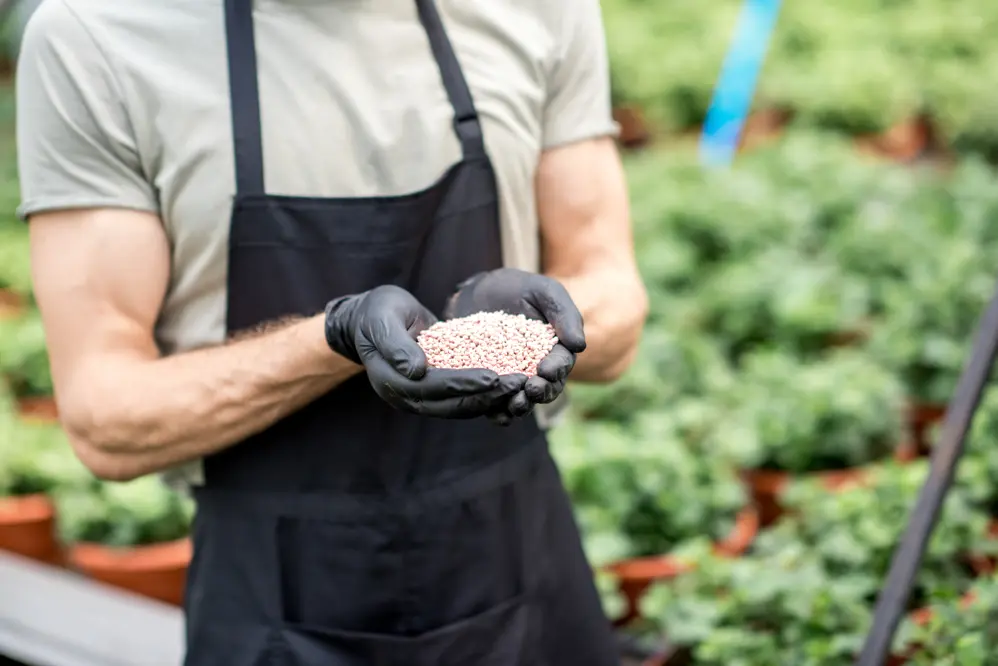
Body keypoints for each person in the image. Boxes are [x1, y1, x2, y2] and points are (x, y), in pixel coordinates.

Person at [16, 0, 648, 663]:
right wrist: (333, 340)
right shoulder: (98, 37)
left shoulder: (535, 9)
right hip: (275, 604)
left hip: (523, 569)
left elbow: (614, 301)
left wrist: (525, 320)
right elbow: (104, 418)